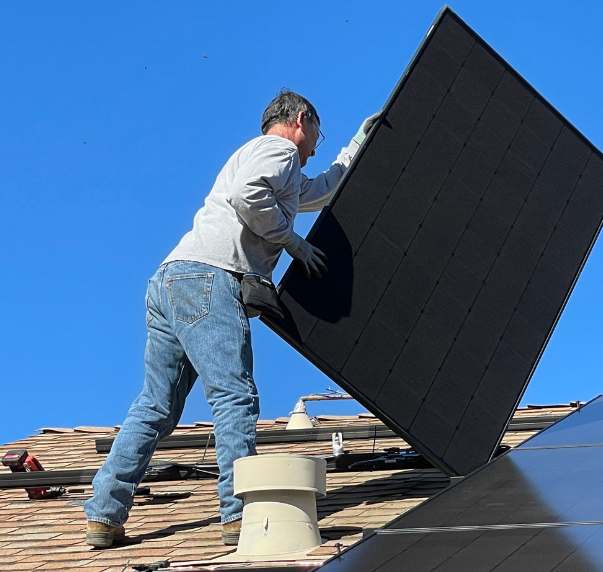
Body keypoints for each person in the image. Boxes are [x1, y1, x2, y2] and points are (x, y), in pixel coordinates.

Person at [83, 90, 380, 548]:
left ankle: (104, 513)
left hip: (170, 281)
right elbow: (248, 196)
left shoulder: (266, 160)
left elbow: (319, 191)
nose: (319, 142)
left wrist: (359, 143)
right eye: (320, 131)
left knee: (155, 407)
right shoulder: (278, 150)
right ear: (301, 119)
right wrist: (293, 244)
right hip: (210, 278)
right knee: (233, 395)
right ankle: (239, 516)